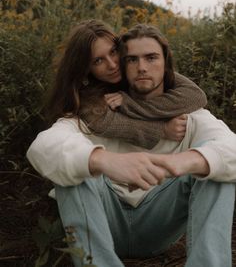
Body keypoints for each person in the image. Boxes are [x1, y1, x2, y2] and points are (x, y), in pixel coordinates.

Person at [27, 22, 236, 267]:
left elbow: (229, 146)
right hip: (105, 218)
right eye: (132, 60)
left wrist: (182, 161)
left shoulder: (190, 116)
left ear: (166, 64)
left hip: (159, 223)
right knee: (78, 169)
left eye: (151, 58)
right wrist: (103, 161)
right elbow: (43, 146)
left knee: (215, 166)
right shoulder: (93, 112)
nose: (142, 68)